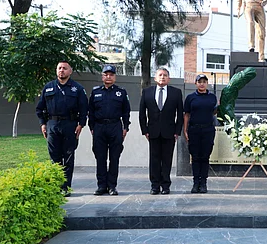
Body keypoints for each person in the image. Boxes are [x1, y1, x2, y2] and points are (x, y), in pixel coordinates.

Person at [36, 61, 88, 197]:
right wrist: (43, 124)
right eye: (59, 68)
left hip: (70, 125)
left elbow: (84, 109)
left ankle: (66, 187)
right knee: (54, 158)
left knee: (68, 157)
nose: (61, 71)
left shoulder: (77, 89)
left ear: (70, 71)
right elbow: (39, 108)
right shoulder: (48, 88)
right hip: (52, 125)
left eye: (65, 68)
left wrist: (81, 124)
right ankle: (56, 186)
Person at [139, 67, 184, 195]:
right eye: (160, 75)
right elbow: (142, 113)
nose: (162, 77)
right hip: (152, 132)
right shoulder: (147, 92)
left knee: (167, 159)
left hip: (169, 132)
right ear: (155, 78)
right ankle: (154, 185)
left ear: (168, 79)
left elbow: (180, 113)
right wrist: (145, 130)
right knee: (154, 159)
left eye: (165, 75)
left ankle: (165, 185)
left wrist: (177, 131)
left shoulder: (176, 92)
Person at [88, 65, 131, 196]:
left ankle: (112, 186)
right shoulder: (95, 92)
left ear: (114, 77)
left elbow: (126, 112)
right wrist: (92, 127)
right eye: (106, 74)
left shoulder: (121, 92)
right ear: (102, 76)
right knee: (100, 158)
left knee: (114, 158)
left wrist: (125, 128)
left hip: (115, 127)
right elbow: (91, 111)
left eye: (111, 74)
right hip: (99, 128)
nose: (108, 77)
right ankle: (101, 186)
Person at [183, 74, 217, 194]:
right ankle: (195, 182)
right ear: (196, 83)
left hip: (208, 130)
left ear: (207, 83)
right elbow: (186, 114)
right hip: (194, 130)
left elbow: (215, 112)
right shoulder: (190, 98)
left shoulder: (212, 97)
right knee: (195, 157)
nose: (202, 84)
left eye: (204, 81)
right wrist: (185, 130)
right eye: (199, 82)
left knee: (205, 157)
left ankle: (203, 183)